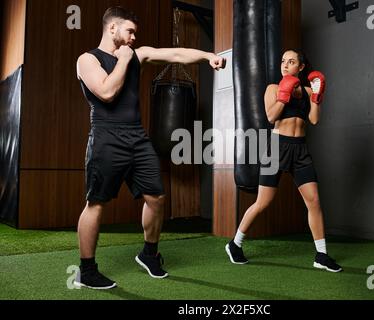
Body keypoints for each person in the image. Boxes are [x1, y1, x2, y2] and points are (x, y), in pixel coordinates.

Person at [75, 6, 225, 290]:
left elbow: (175, 54)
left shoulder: (137, 54)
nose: (133, 38)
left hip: (137, 138)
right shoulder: (87, 60)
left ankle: (148, 253)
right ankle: (87, 269)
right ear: (112, 29)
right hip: (106, 137)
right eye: (129, 31)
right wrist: (123, 59)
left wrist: (207, 57)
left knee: (156, 198)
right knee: (96, 203)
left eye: (135, 34)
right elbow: (107, 92)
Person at [225, 49, 342, 273]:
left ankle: (321, 255)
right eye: (283, 61)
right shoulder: (272, 88)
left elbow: (314, 120)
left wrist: (317, 98)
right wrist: (284, 93)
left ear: (301, 67)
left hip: (300, 150)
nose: (285, 65)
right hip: (276, 148)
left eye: (291, 62)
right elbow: (271, 117)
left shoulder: (307, 90)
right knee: (263, 202)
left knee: (314, 201)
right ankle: (235, 243)